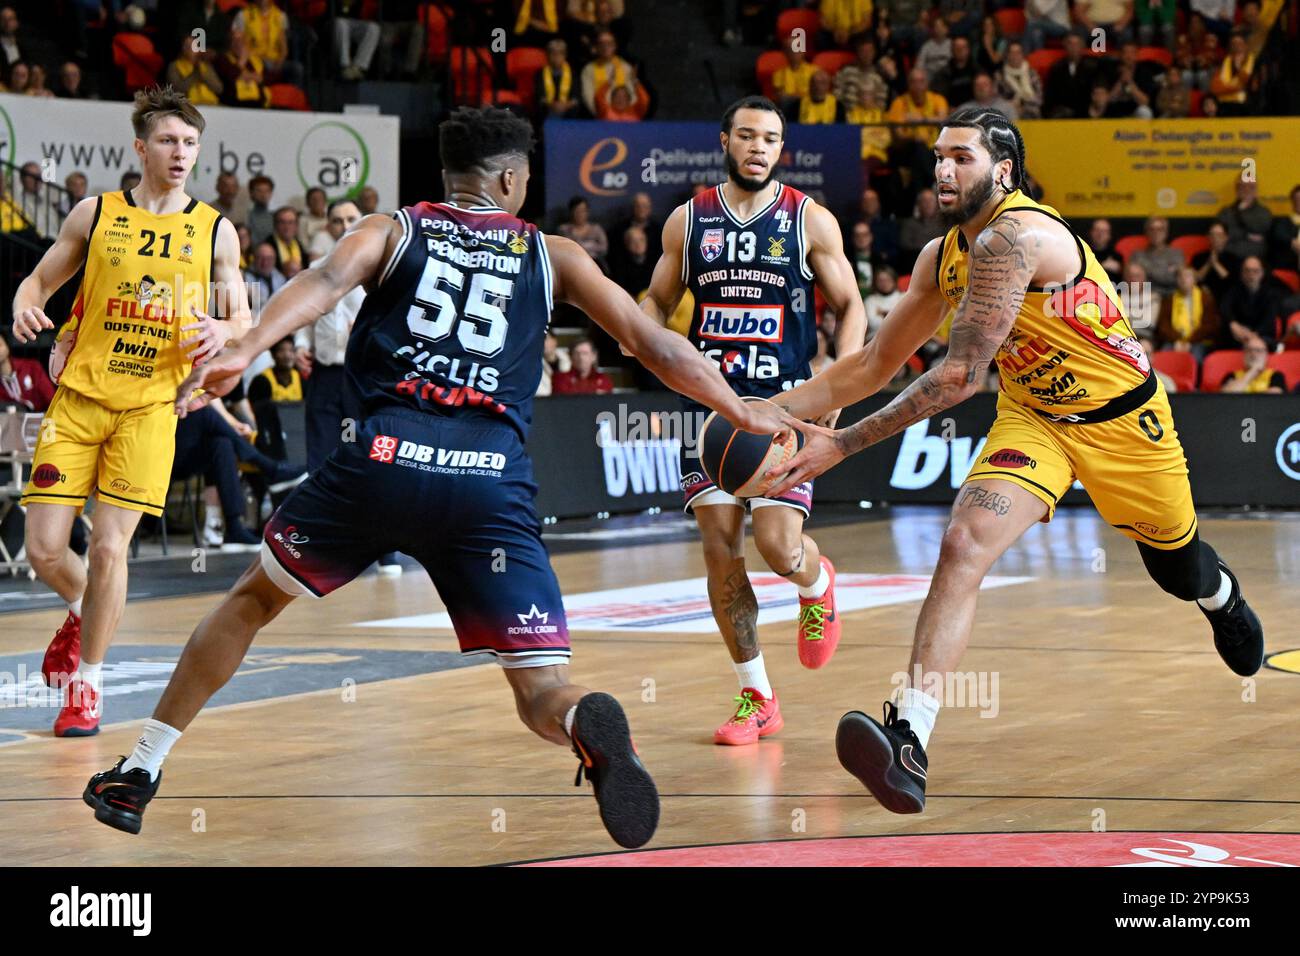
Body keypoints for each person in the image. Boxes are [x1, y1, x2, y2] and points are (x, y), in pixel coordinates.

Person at [82, 104, 787, 845]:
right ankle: (584, 720)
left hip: (380, 464)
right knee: (538, 687)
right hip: (488, 485)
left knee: (252, 601)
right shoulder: (554, 255)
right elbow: (650, 343)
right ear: (512, 179)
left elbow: (322, 280)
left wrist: (246, 343)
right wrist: (739, 409)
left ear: (447, 176)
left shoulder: (393, 229)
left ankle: (141, 770)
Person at [764, 107, 1264, 814]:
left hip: (1125, 425)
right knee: (962, 542)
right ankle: (910, 737)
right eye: (938, 156)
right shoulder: (942, 257)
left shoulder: (1015, 236)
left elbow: (959, 376)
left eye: (961, 157)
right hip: (1033, 421)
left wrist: (842, 444)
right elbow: (876, 362)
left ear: (1002, 169)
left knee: (1177, 567)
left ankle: (1222, 597)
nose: (942, 168)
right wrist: (776, 409)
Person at [11, 86, 248, 738]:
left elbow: (241, 315)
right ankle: (80, 610)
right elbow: (38, 281)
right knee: (44, 549)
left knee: (112, 549)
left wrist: (224, 335)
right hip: (79, 401)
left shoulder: (215, 229)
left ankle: (86, 687)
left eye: (191, 143)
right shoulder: (95, 213)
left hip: (152, 408)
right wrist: (23, 306)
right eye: (169, 141)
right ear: (141, 147)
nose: (181, 153)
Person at [638, 95, 867, 746]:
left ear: (780, 149)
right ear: (726, 142)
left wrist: (841, 381)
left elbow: (850, 304)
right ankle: (756, 695)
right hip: (708, 405)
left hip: (780, 406)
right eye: (747, 136)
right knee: (719, 551)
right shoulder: (687, 221)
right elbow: (656, 299)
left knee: (776, 545)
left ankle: (815, 582)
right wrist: (646, 339)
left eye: (770, 138)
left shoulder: (808, 220)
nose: (759, 147)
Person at [0, 332, 54, 410]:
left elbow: (51, 398)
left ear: (7, 345)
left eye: (0, 345)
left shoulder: (32, 367)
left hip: (41, 417)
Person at [1220, 335, 1285, 393]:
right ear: (1244, 354)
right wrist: (1252, 371)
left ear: (1266, 355)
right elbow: (1227, 396)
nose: (1253, 354)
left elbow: (1275, 397)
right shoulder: (1232, 375)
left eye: (1258, 350)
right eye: (1249, 350)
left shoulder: (1275, 375)